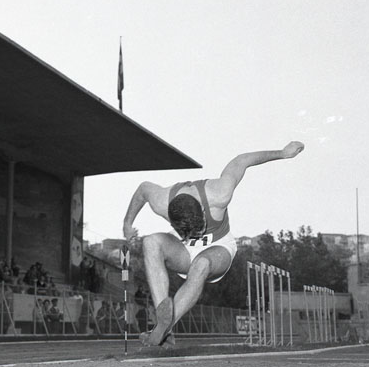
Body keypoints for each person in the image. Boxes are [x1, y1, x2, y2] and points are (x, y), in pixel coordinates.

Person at [122, 141, 305, 346]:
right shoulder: (162, 201)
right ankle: (162, 322)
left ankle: (165, 328)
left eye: (198, 229)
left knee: (202, 264)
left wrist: (282, 153)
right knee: (150, 242)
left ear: (202, 211)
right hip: (184, 251)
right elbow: (143, 189)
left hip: (218, 247)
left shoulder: (219, 193)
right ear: (171, 218)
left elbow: (242, 160)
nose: (196, 234)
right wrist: (127, 224)